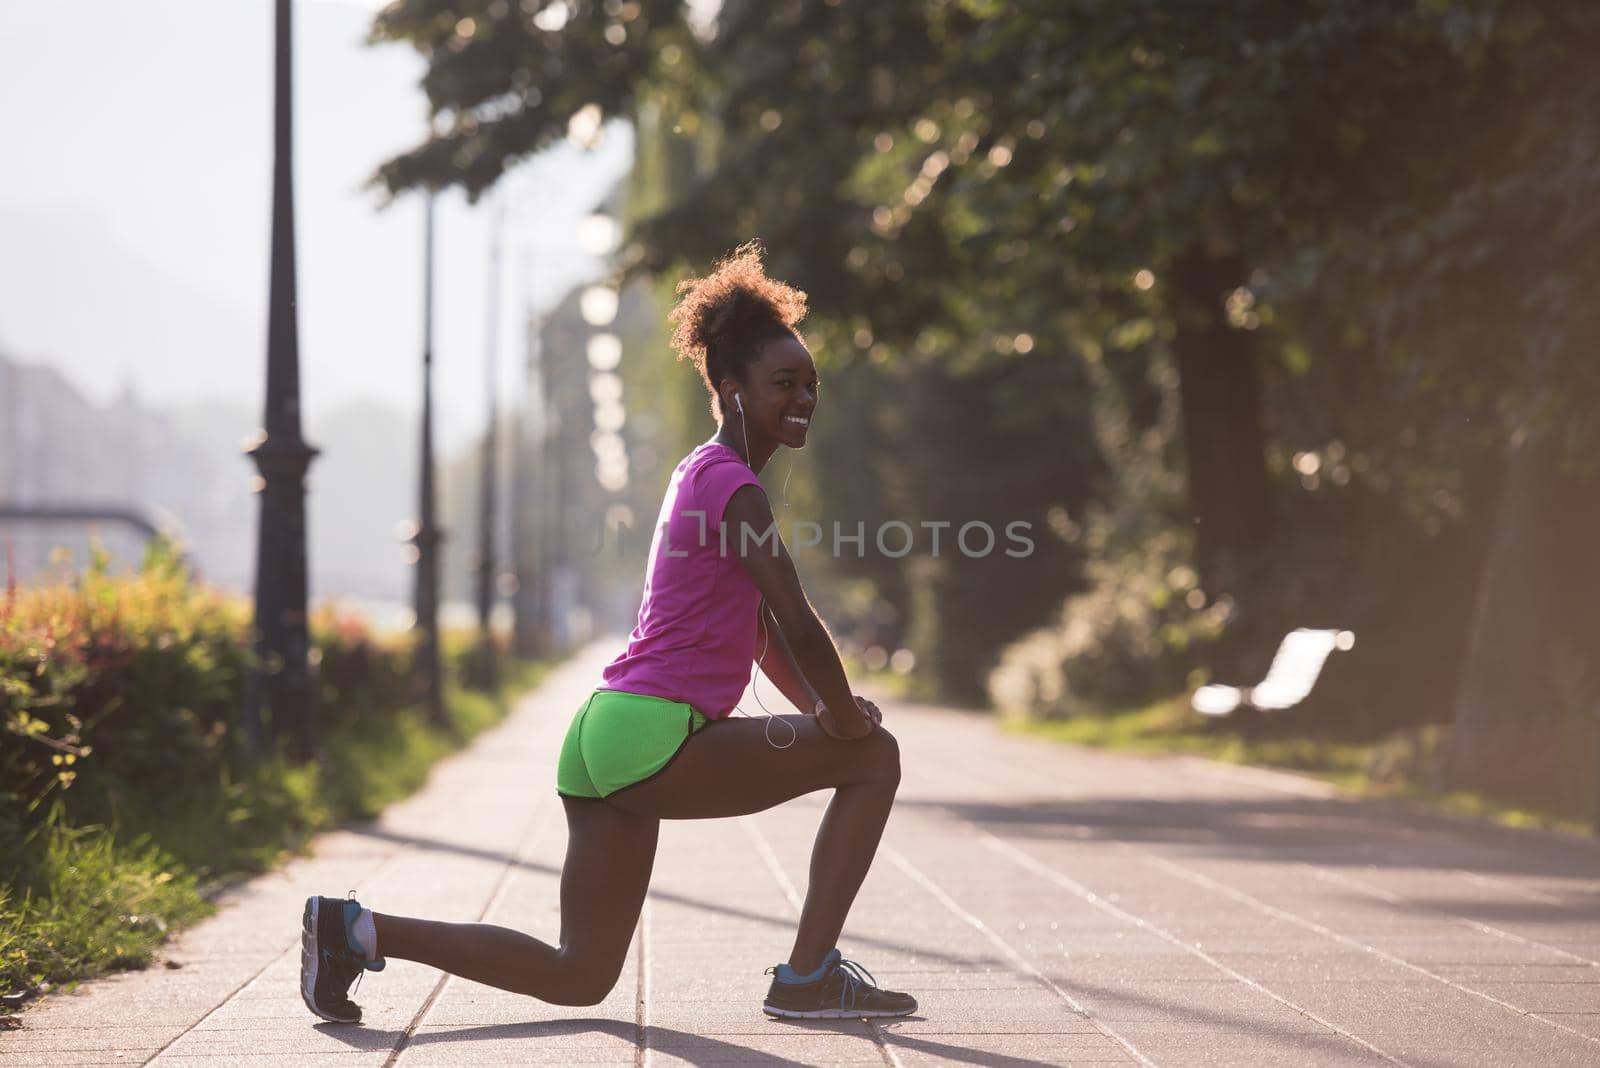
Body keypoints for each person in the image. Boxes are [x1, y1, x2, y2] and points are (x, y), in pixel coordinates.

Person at [300, 242, 915, 1025]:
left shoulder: (702, 473)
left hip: (601, 734)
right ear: (731, 393)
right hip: (654, 736)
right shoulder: (734, 485)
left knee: (578, 975)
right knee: (876, 758)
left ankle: (352, 930)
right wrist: (842, 720)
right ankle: (807, 977)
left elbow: (762, 631)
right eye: (782, 384)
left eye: (810, 384)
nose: (803, 398)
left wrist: (828, 708)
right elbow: (794, 613)